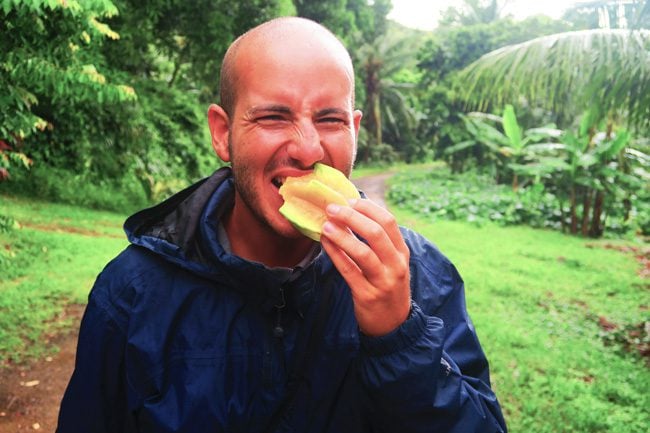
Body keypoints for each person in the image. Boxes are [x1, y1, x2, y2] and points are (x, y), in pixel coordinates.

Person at [57, 16, 507, 433]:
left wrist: (398, 338)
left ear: (354, 130)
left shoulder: (418, 275)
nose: (308, 149)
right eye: (274, 116)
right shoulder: (131, 293)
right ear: (222, 132)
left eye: (329, 119)